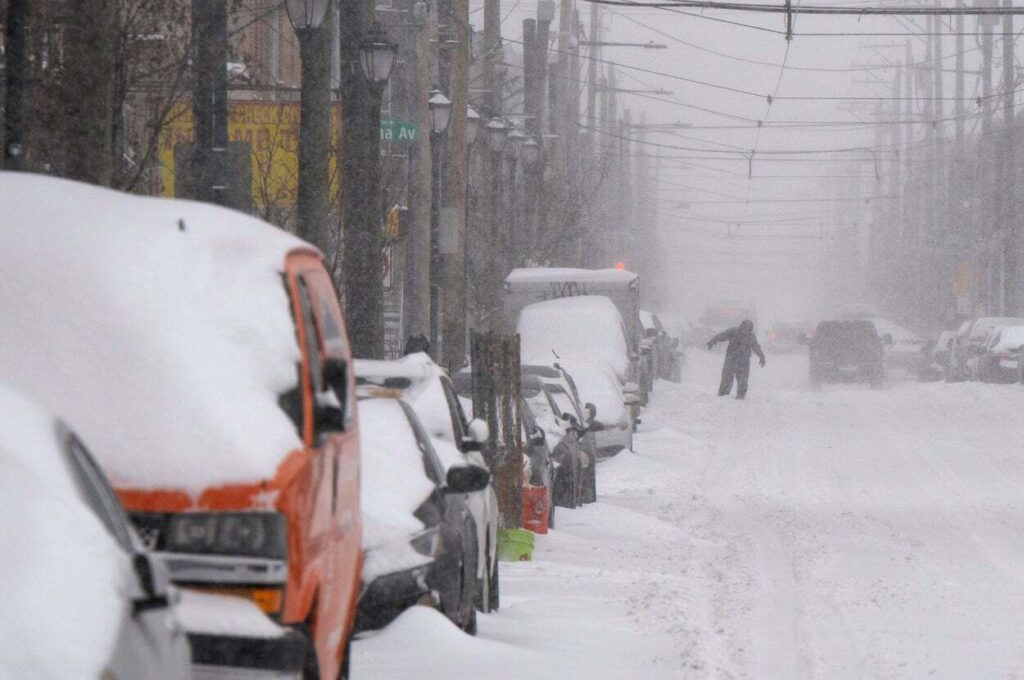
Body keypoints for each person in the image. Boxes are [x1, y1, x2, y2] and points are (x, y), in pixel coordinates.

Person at [707, 319, 765, 399]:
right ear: (741, 327)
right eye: (744, 328)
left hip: (744, 363)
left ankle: (741, 396)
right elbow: (721, 336)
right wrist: (712, 341)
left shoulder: (751, 337)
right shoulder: (733, 332)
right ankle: (723, 395)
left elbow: (756, 347)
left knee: (743, 381)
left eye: (748, 330)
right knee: (726, 380)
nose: (745, 331)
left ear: (750, 330)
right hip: (731, 360)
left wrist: (761, 357)